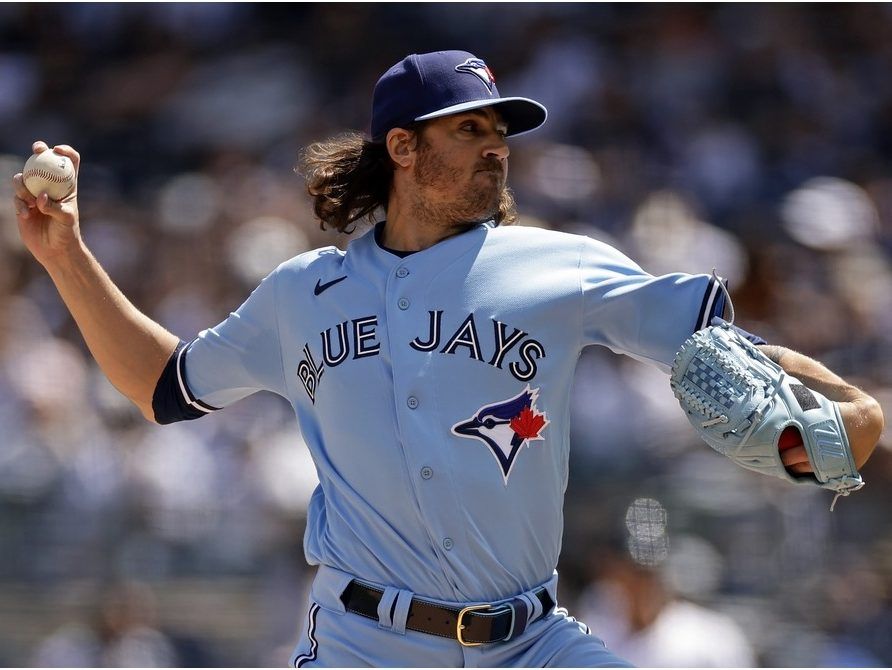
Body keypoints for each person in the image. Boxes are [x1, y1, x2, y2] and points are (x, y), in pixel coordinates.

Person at [11, 50, 884, 667]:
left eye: (501, 129)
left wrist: (848, 402)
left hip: (531, 642)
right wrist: (64, 256)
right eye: (468, 129)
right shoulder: (301, 292)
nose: (496, 145)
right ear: (403, 147)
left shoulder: (557, 264)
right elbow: (164, 386)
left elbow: (723, 348)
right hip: (361, 645)